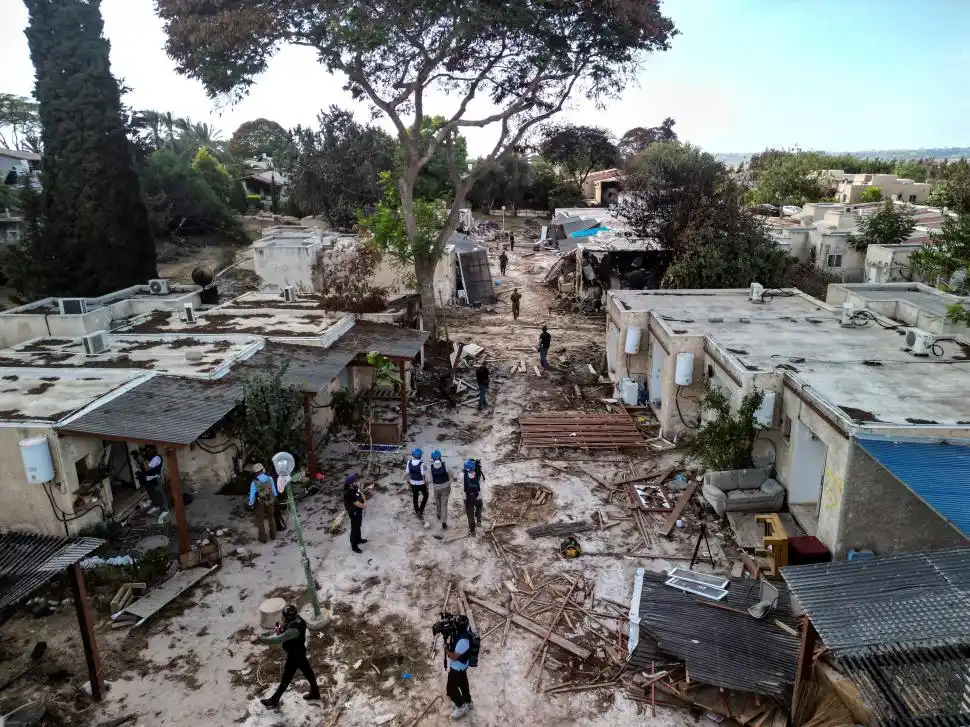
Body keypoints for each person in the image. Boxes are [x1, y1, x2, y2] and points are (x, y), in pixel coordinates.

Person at [254, 603, 321, 708]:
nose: (282, 618)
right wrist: (279, 626)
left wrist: (260, 640)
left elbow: (278, 639)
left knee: (288, 677)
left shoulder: (292, 631)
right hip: (298, 653)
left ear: (289, 618)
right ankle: (315, 693)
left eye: (284, 616)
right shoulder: (298, 619)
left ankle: (274, 700)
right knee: (308, 673)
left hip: (295, 656)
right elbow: (281, 631)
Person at [445, 614, 474, 719]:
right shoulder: (467, 630)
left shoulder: (463, 641)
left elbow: (454, 657)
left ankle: (461, 707)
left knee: (451, 690)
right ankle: (468, 702)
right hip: (463, 667)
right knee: (463, 684)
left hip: (457, 668)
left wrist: (446, 650)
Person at [133, 447, 170, 520]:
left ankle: (165, 509)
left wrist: (142, 460)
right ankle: (156, 505)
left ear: (152, 451)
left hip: (155, 478)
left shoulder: (156, 458)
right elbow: (140, 467)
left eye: (147, 451)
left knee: (159, 493)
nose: (145, 453)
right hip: (148, 478)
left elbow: (147, 468)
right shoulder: (146, 458)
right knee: (152, 493)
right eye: (144, 452)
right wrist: (137, 459)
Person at [248, 464, 279, 543]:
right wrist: (275, 497)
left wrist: (251, 504)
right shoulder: (269, 478)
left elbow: (252, 495)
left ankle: (262, 538)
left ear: (255, 472)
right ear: (263, 470)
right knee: (271, 518)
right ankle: (273, 535)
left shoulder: (254, 482)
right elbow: (273, 490)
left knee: (260, 521)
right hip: (270, 500)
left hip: (261, 502)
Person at [343, 472, 367, 553]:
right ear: (350, 484)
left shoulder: (355, 487)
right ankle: (354, 546)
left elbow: (361, 493)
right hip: (354, 512)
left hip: (359, 510)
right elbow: (356, 503)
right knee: (355, 528)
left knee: (358, 525)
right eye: (355, 481)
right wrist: (364, 506)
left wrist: (364, 501)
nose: (357, 482)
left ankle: (359, 539)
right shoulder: (349, 492)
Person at [406, 448, 429, 522]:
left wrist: (408, 482)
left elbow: (407, 473)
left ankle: (416, 510)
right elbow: (424, 475)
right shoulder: (423, 464)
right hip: (421, 483)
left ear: (413, 455)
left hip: (413, 483)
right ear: (420, 456)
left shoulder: (409, 462)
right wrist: (427, 483)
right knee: (425, 495)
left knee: (415, 497)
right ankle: (421, 510)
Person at [429, 451, 451, 530]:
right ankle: (444, 522)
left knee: (437, 500)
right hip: (445, 487)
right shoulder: (445, 465)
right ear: (440, 457)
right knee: (444, 505)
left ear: (433, 458)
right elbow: (451, 473)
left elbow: (429, 479)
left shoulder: (431, 467)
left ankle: (438, 514)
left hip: (436, 487)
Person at [462, 459, 484, 536]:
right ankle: (479, 521)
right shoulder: (478, 474)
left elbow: (460, 484)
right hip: (478, 496)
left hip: (467, 498)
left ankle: (472, 530)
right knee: (479, 507)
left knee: (470, 514)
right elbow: (481, 483)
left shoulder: (462, 475)